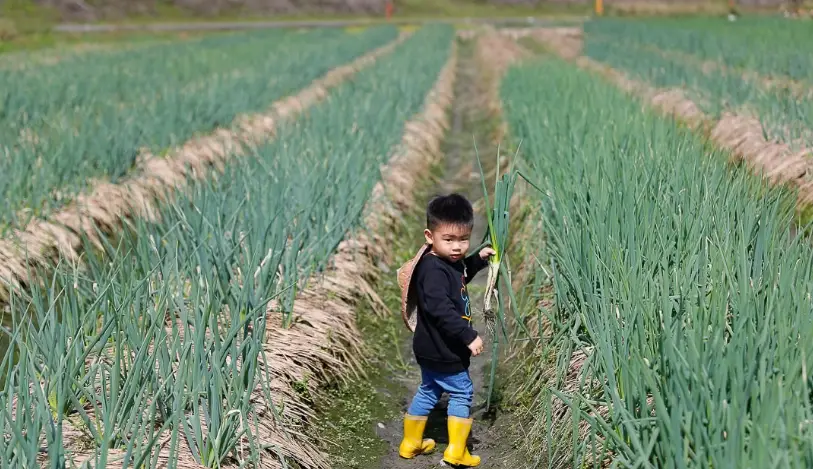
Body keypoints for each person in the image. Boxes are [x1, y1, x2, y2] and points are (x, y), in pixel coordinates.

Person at [398, 193, 495, 467]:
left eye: (463, 240)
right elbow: (440, 310)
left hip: (429, 349)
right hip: (444, 350)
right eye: (449, 240)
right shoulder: (432, 271)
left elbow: (461, 272)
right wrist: (469, 336)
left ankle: (411, 442)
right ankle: (456, 451)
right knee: (462, 392)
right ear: (430, 236)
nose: (457, 247)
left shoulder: (448, 263)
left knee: (429, 389)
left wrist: (479, 259)